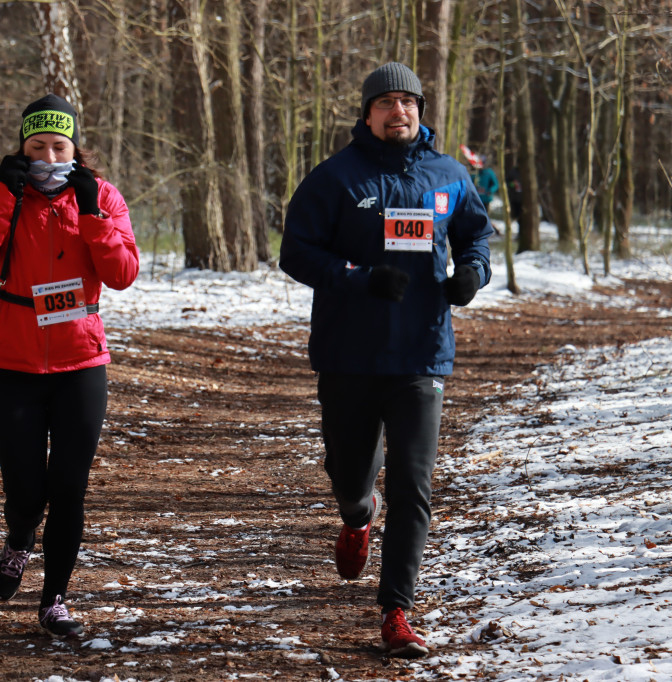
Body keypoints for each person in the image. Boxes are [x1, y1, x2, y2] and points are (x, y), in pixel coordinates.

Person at [279, 62, 493, 658]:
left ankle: (396, 610)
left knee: (413, 484)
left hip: (422, 355)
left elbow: (477, 235)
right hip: (349, 355)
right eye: (387, 103)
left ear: (421, 111)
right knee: (352, 478)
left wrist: (472, 272)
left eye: (409, 102)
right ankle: (356, 517)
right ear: (368, 113)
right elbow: (295, 252)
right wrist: (357, 279)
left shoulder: (447, 175)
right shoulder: (336, 178)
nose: (399, 112)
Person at [0, 94, 139, 638]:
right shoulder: (4, 194)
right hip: (12, 361)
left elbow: (124, 272)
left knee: (70, 487)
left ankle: (54, 598)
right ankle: (18, 539)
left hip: (81, 360)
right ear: (22, 149)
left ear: (75, 149)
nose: (50, 156)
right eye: (38, 147)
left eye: (60, 146)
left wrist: (91, 214)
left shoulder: (101, 196)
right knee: (26, 490)